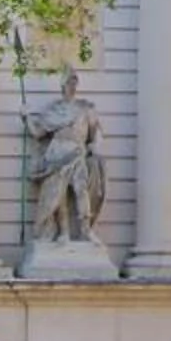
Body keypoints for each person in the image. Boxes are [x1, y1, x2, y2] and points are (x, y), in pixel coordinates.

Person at [24, 70, 107, 245]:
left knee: (81, 190)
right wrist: (26, 118)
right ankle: (64, 232)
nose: (72, 86)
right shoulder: (54, 110)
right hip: (57, 154)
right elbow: (38, 133)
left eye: (74, 82)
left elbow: (96, 132)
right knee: (58, 195)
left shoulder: (85, 108)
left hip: (77, 152)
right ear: (62, 85)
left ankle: (86, 230)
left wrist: (96, 146)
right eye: (69, 82)